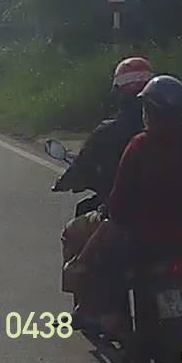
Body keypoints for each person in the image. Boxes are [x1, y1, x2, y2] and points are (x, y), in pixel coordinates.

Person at [76, 75, 182, 333]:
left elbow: (119, 200)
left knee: (100, 256)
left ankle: (109, 315)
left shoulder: (140, 146)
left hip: (143, 237)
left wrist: (118, 216)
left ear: (152, 112)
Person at [57, 57, 152, 315]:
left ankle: (86, 305)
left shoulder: (111, 132)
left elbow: (83, 166)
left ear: (119, 93)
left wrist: (66, 181)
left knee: (74, 232)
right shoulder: (176, 134)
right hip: (169, 219)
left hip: (122, 217)